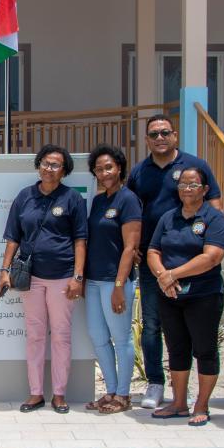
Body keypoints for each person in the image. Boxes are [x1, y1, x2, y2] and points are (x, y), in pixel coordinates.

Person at [127, 114, 221, 410]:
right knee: (153, 326)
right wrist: (136, 248)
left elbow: (215, 206)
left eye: (165, 133)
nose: (159, 138)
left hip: (195, 265)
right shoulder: (140, 172)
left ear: (175, 136)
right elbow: (132, 211)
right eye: (153, 134)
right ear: (146, 139)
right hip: (154, 262)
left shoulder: (195, 167)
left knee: (196, 334)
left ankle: (194, 395)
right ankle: (156, 382)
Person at [0, 144, 87, 414]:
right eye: (45, 163)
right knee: (35, 336)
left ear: (64, 171)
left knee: (61, 336)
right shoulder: (25, 197)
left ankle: (59, 394)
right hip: (30, 278)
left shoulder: (72, 199)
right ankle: (36, 393)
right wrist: (4, 271)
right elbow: (13, 237)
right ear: (38, 165)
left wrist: (78, 277)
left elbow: (80, 240)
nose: (49, 168)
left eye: (55, 165)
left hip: (62, 277)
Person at [144, 166, 224, 427]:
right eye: (182, 185)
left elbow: (212, 257)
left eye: (193, 185)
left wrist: (173, 274)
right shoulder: (169, 218)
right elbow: (153, 250)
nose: (187, 189)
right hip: (170, 294)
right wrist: (163, 276)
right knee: (176, 348)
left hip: (204, 293)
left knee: (204, 350)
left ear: (204, 190)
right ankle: (179, 403)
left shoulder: (214, 219)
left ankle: (201, 405)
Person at [82, 145, 142, 414]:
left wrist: (119, 285)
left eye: (108, 167)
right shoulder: (98, 201)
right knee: (98, 338)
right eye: (98, 169)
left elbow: (130, 247)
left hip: (115, 281)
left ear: (119, 168)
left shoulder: (128, 200)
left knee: (121, 339)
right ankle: (110, 391)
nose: (104, 172)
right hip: (94, 281)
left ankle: (124, 394)